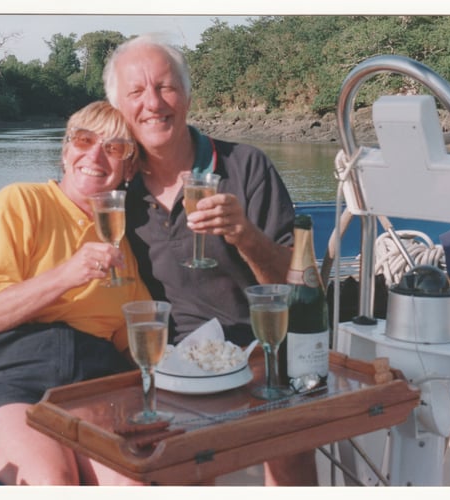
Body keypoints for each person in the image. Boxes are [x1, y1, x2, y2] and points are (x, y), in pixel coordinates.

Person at [103, 33, 318, 486]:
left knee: (289, 437)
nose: (153, 103)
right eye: (136, 92)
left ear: (186, 95)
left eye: (165, 87)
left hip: (256, 347)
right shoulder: (114, 188)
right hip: (166, 360)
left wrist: (245, 234)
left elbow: (293, 286)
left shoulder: (247, 166)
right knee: (181, 456)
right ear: (118, 108)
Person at [0, 101, 151, 486]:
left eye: (114, 148)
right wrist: (66, 275)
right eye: (84, 140)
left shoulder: (124, 241)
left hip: (93, 383)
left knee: (133, 484)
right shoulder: (19, 203)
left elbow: (130, 344)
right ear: (65, 150)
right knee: (52, 480)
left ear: (130, 167)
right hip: (7, 376)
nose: (95, 155)